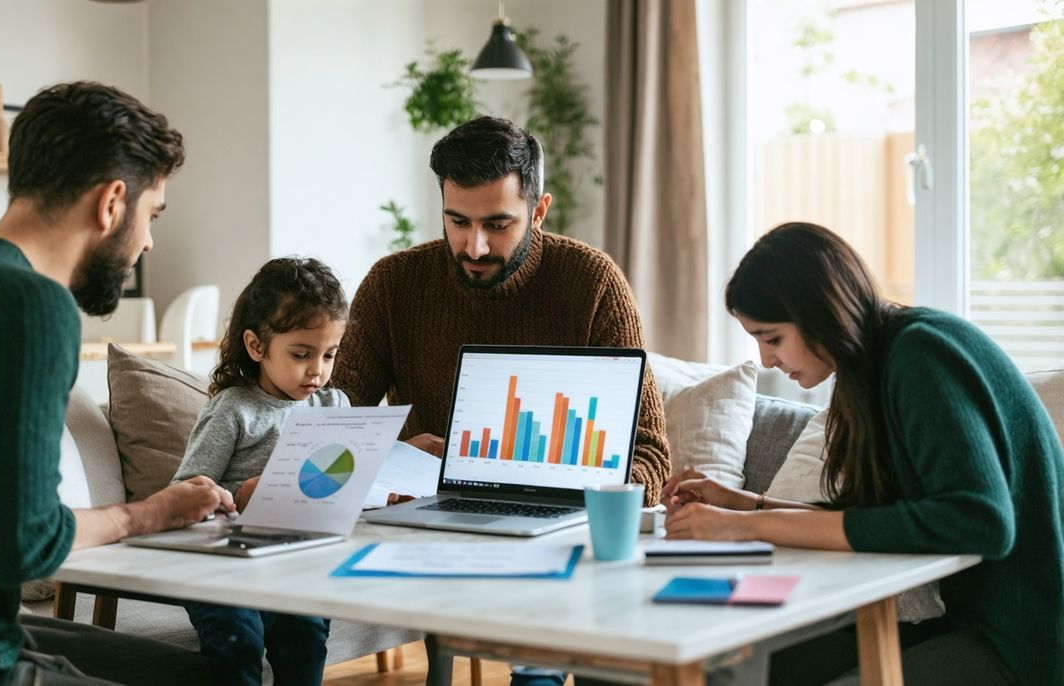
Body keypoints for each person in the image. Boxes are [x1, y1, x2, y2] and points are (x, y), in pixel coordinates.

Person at [0, 82, 236, 685]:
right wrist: (150, 512)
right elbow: (23, 543)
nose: (148, 241)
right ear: (112, 202)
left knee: (197, 673)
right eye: (151, 216)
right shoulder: (31, 303)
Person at [333, 116, 671, 686]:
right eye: (457, 221)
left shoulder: (592, 283)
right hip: (432, 528)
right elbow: (335, 431)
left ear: (539, 211)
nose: (475, 245)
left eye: (498, 223)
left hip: (561, 531)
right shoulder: (393, 284)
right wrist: (395, 453)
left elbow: (651, 456)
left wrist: (569, 496)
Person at [661, 222, 1063, 684]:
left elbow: (981, 522)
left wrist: (742, 526)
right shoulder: (871, 368)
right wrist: (746, 502)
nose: (766, 359)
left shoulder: (921, 355)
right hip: (970, 623)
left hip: (1025, 644)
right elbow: (872, 516)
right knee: (754, 668)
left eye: (772, 338)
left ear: (819, 312)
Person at [170, 257, 350, 686]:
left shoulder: (332, 407)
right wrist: (235, 497)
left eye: (329, 354)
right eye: (302, 354)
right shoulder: (234, 409)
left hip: (293, 562)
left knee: (305, 635)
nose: (317, 370)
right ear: (256, 347)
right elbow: (183, 491)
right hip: (221, 568)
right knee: (239, 641)